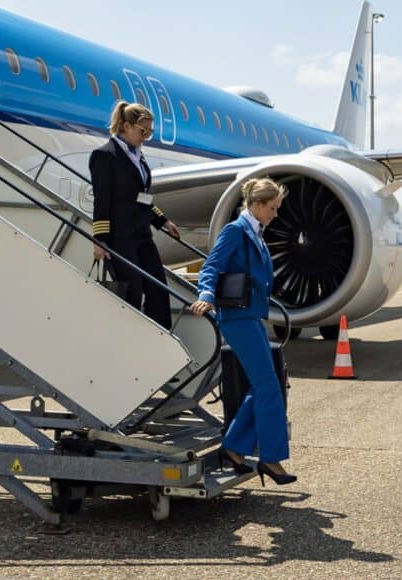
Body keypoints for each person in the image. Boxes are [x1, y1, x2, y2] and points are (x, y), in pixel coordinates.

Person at [190, 177, 296, 486]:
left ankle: (235, 448)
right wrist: (206, 295)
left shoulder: (256, 232)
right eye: (273, 208)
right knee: (268, 387)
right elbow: (212, 265)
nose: (275, 215)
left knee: (264, 385)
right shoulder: (236, 231)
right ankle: (271, 459)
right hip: (237, 318)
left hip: (251, 316)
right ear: (258, 205)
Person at [89, 101, 180, 329]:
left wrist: (163, 220)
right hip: (120, 237)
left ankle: (159, 336)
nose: (146, 137)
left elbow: (143, 197)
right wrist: (100, 240)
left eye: (150, 132)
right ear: (126, 126)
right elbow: (102, 200)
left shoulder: (138, 157)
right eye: (143, 131)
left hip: (142, 234)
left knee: (159, 289)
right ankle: (131, 339)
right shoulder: (104, 156)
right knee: (133, 290)